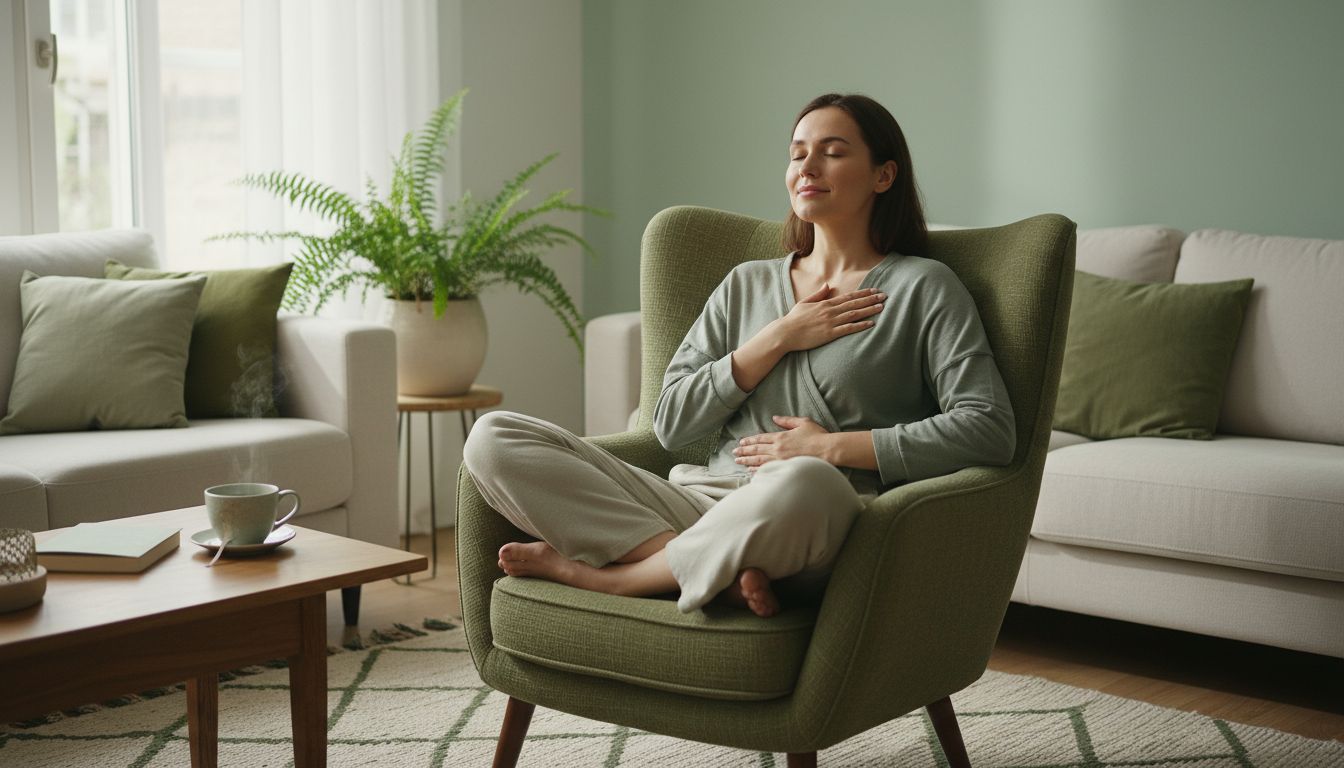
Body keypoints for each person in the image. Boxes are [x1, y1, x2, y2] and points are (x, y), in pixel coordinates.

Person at [463, 93, 1016, 618]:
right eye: (797, 153)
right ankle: (706, 570)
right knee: (493, 437)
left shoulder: (924, 287)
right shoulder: (746, 285)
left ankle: (616, 578)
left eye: (833, 151)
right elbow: (671, 424)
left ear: (883, 175)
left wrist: (829, 448)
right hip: (701, 500)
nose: (808, 166)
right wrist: (776, 337)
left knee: (804, 478)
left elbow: (989, 427)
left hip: (811, 519)